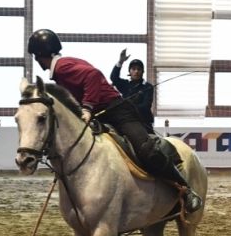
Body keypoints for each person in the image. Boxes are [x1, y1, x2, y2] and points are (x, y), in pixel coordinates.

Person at [27, 29, 202, 213]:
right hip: (101, 114)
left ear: (40, 55)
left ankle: (186, 190)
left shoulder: (63, 67)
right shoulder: (61, 68)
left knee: (146, 150)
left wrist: (87, 107)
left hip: (118, 112)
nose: (36, 61)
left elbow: (93, 75)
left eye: (36, 57)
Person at [110, 49, 155, 132]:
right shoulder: (125, 84)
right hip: (126, 121)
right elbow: (114, 78)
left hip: (143, 123)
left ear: (142, 72)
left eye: (139, 69)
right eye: (133, 69)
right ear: (129, 71)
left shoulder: (148, 87)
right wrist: (120, 62)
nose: (136, 71)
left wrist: (127, 107)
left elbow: (145, 106)